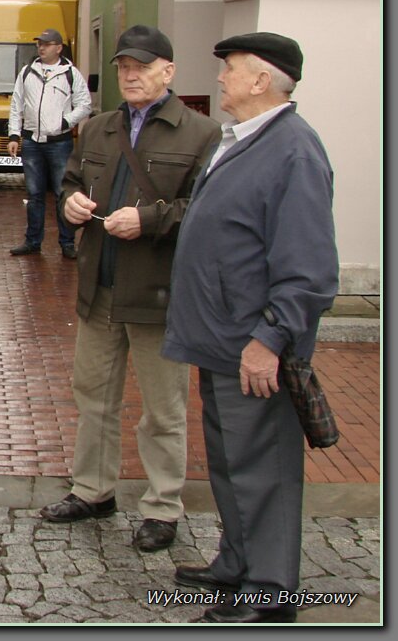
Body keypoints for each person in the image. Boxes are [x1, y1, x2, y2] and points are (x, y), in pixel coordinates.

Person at [161, 33, 338, 623]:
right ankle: (236, 563)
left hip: (252, 346)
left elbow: (308, 269)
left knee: (263, 470)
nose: (220, 79)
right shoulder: (242, 139)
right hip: (220, 340)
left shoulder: (294, 151)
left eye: (230, 69)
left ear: (262, 80)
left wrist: (271, 340)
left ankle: (269, 590)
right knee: (231, 463)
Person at [39, 25, 221, 553]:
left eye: (142, 66)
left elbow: (204, 211)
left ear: (169, 71)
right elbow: (73, 181)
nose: (131, 75)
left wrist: (149, 220)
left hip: (158, 295)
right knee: (93, 397)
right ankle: (93, 491)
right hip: (99, 289)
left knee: (163, 410)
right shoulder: (97, 128)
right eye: (123, 67)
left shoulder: (201, 134)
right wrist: (70, 205)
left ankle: (163, 506)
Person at [7, 28, 92, 259]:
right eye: (39, 44)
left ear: (58, 47)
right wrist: (14, 135)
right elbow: (16, 106)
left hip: (59, 143)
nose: (41, 48)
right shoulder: (27, 72)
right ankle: (33, 241)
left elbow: (85, 104)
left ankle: (66, 242)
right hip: (32, 141)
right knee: (34, 195)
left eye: (46, 44)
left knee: (62, 192)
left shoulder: (70, 73)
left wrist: (65, 122)